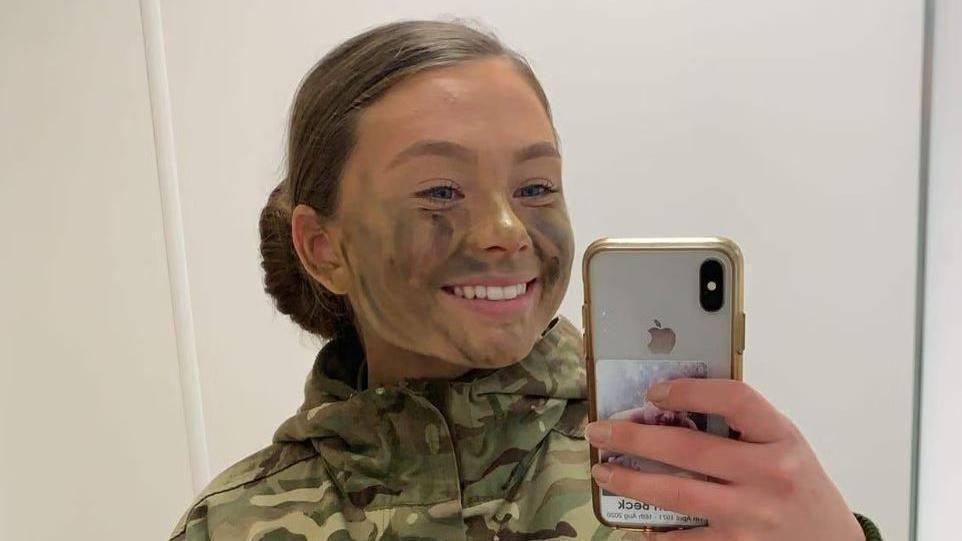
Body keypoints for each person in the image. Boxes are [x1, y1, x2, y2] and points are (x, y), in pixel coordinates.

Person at [169, 20, 882, 541]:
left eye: (537, 185)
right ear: (323, 247)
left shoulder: (696, 477)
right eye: (441, 191)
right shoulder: (231, 525)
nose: (508, 231)